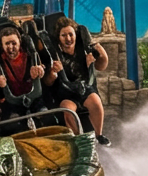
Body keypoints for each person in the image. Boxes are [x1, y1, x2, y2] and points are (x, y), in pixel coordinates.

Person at [44, 17, 110, 145]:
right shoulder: (55, 55)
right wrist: (53, 73)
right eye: (64, 35)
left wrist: (99, 55)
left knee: (96, 102)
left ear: (75, 35)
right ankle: (79, 140)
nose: (68, 38)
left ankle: (99, 135)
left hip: (85, 89)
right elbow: (48, 82)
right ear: (59, 38)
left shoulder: (84, 50)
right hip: (66, 93)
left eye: (70, 34)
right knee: (68, 110)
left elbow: (101, 66)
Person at [0, 25, 45, 117]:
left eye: (14, 43)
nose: (10, 47)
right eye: (7, 44)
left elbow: (43, 67)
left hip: (34, 98)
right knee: (13, 121)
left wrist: (40, 71)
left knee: (46, 116)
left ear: (19, 42)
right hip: (13, 103)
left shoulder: (30, 56)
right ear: (2, 45)